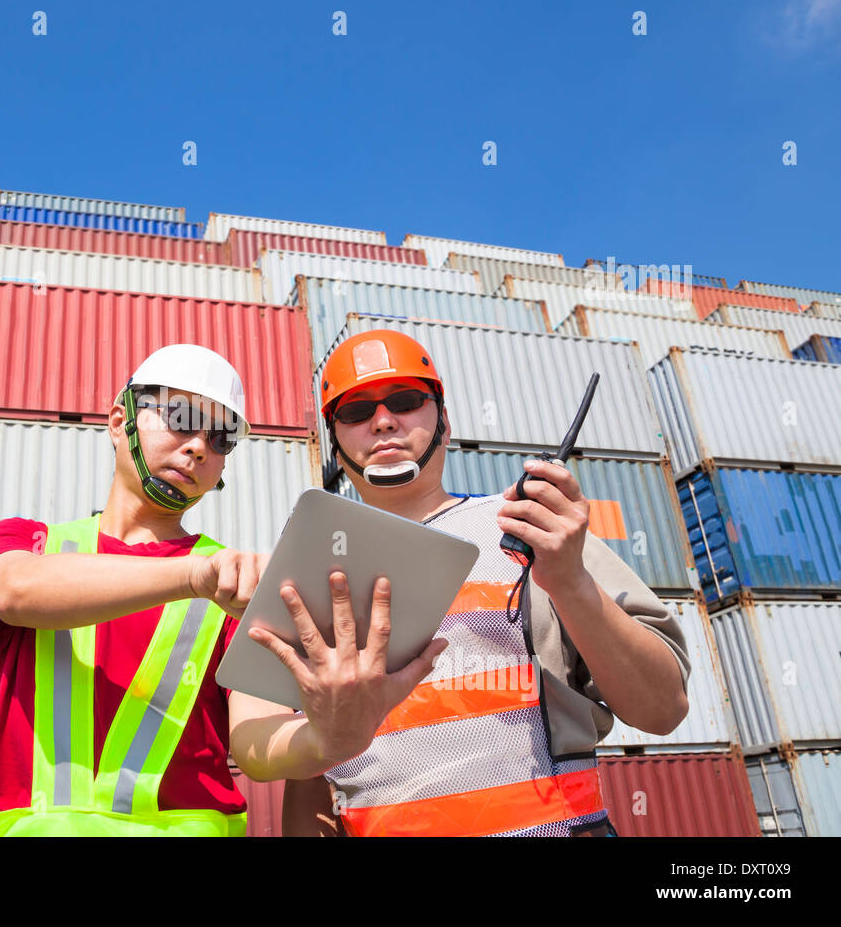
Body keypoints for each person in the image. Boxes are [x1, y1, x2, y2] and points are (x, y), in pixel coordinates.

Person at [0, 343, 445, 836]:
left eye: (221, 438)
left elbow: (255, 740)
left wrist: (331, 739)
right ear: (118, 420)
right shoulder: (32, 542)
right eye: (181, 418)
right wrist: (193, 577)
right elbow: (12, 593)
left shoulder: (239, 586)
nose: (198, 447)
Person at [279, 328, 691, 837]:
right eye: (356, 412)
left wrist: (570, 582)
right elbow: (311, 770)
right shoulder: (310, 571)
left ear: (444, 424)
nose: (383, 421)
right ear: (334, 440)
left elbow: (662, 709)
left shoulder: (533, 529)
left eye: (405, 401)